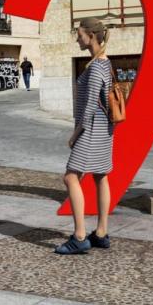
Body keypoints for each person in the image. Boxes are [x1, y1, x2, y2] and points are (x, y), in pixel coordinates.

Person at [56, 17, 114, 255]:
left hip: (91, 129)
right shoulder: (105, 63)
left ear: (91, 35)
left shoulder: (96, 67)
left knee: (70, 177)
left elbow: (90, 105)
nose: (77, 38)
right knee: (100, 176)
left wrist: (75, 133)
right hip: (105, 128)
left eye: (79, 34)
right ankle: (101, 233)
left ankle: (80, 236)